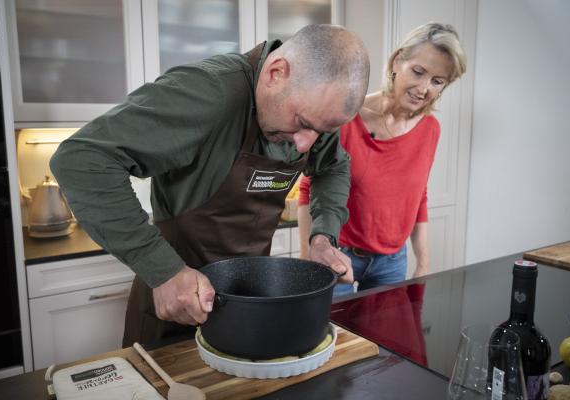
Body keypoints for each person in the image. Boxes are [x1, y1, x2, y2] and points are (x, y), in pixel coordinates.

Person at [50, 24, 370, 346]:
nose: (305, 145)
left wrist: (323, 237)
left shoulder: (314, 110)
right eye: (301, 123)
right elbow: (81, 159)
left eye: (320, 131)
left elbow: (333, 166)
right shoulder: (209, 93)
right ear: (276, 73)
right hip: (174, 309)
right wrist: (164, 270)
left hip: (249, 304)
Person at [298, 22, 467, 296]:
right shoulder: (347, 117)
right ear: (397, 61)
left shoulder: (430, 129)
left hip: (391, 263)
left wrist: (423, 262)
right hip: (337, 255)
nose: (424, 89)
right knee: (337, 336)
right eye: (418, 72)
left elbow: (419, 196)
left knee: (385, 339)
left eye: (437, 81)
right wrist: (311, 255)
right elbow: (310, 187)